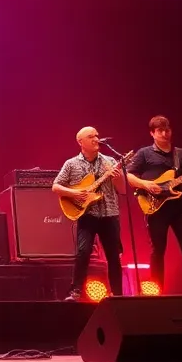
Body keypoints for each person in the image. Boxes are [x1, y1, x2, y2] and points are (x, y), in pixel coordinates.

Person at [126, 115, 182, 294]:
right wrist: (146, 184)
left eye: (167, 130)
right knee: (158, 250)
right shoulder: (144, 153)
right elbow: (129, 176)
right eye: (160, 130)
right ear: (152, 133)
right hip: (155, 207)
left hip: (179, 207)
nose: (164, 133)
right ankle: (157, 290)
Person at [52, 126, 126, 301]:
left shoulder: (110, 161)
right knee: (83, 252)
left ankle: (118, 294)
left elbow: (122, 190)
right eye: (91, 136)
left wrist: (117, 178)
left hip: (110, 214)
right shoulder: (71, 164)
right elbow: (56, 186)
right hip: (87, 215)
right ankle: (75, 291)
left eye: (97, 136)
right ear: (80, 142)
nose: (96, 139)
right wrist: (75, 193)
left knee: (113, 256)